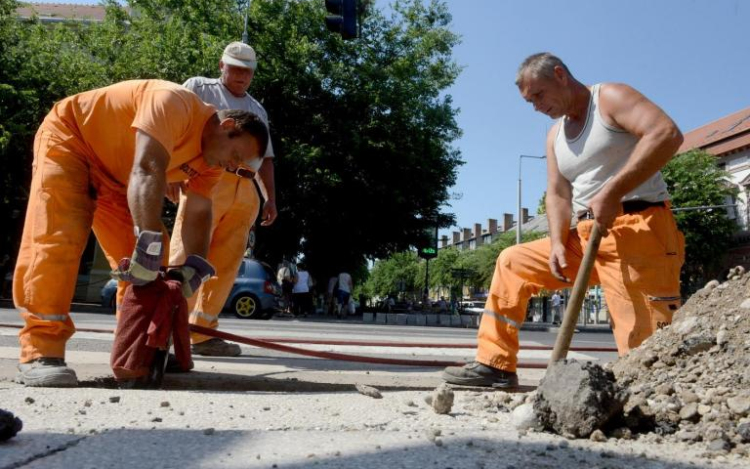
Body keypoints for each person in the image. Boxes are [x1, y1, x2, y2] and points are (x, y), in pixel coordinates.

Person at [443, 52, 685, 388]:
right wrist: (557, 242)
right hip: (584, 237)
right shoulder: (554, 135)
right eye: (529, 102)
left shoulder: (611, 98)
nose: (536, 107)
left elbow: (666, 133)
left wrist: (614, 190)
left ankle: (654, 396)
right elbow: (557, 194)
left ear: (560, 75)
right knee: (512, 262)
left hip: (638, 231)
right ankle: (495, 365)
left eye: (538, 95)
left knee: (643, 354)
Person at [13, 79, 269, 387]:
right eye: (236, 156)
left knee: (151, 261)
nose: (232, 167)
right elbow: (147, 168)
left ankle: (140, 347)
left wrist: (194, 266)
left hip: (119, 179)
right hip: (71, 141)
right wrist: (146, 242)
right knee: (57, 239)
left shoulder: (212, 162)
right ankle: (40, 351)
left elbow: (199, 212)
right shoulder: (172, 103)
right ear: (226, 126)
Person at [168, 41, 276, 357]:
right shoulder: (199, 88)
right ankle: (169, 328)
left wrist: (270, 198)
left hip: (245, 190)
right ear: (222, 66)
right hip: (206, 180)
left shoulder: (257, 109)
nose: (242, 75)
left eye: (248, 71)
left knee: (226, 264)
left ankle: (202, 332)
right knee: (186, 255)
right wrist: (171, 172)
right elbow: (175, 128)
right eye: (236, 68)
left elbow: (265, 158)